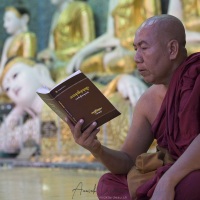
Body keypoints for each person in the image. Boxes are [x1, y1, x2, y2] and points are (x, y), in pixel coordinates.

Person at [66, 14, 200, 200]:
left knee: (191, 184)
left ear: (172, 49)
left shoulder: (197, 76)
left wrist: (168, 180)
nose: (136, 58)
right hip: (171, 174)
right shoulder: (148, 101)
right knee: (109, 184)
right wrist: (96, 148)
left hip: (191, 174)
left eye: (144, 48)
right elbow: (128, 161)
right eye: (135, 49)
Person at [67, 0, 161, 75]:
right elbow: (110, 35)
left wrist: (124, 42)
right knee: (84, 66)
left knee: (123, 63)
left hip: (137, 48)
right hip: (117, 48)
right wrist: (81, 54)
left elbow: (152, 28)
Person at [37, 0, 95, 82]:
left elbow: (88, 44)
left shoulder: (80, 8)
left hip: (74, 62)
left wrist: (57, 55)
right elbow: (52, 48)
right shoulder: (56, 14)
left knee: (62, 78)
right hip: (55, 63)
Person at [0, 5, 37, 76]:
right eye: (4, 21)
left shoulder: (27, 36)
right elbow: (3, 64)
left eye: (9, 20)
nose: (5, 25)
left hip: (21, 75)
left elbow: (28, 62)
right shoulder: (8, 40)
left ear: (24, 19)